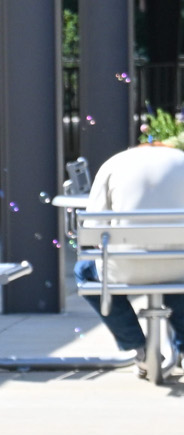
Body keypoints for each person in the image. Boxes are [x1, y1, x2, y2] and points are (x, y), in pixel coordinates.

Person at [73, 142, 184, 374]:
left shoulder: (113, 164)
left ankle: (138, 347)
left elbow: (93, 228)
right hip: (180, 265)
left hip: (124, 267)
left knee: (84, 272)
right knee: (175, 279)